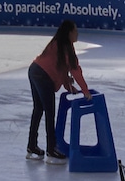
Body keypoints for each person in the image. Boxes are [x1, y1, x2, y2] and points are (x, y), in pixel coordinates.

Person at [26, 19, 89, 162]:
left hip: (34, 70)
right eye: (75, 31)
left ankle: (32, 145)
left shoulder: (58, 44)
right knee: (49, 112)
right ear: (69, 33)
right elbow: (75, 70)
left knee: (38, 109)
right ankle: (51, 149)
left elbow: (62, 71)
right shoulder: (66, 47)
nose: (77, 33)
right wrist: (85, 91)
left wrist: (70, 87)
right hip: (42, 76)